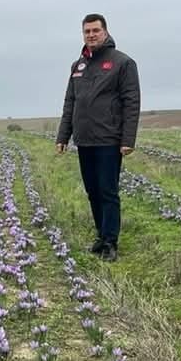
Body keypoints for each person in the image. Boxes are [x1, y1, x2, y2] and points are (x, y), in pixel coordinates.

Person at [56, 13, 141, 262]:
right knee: (92, 191)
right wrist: (63, 136)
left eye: (95, 30)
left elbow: (131, 103)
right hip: (84, 139)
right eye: (87, 31)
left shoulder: (123, 63)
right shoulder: (78, 66)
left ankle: (110, 242)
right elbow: (70, 102)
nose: (91, 35)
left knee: (107, 191)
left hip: (108, 139)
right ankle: (101, 236)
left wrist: (128, 140)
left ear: (105, 32)